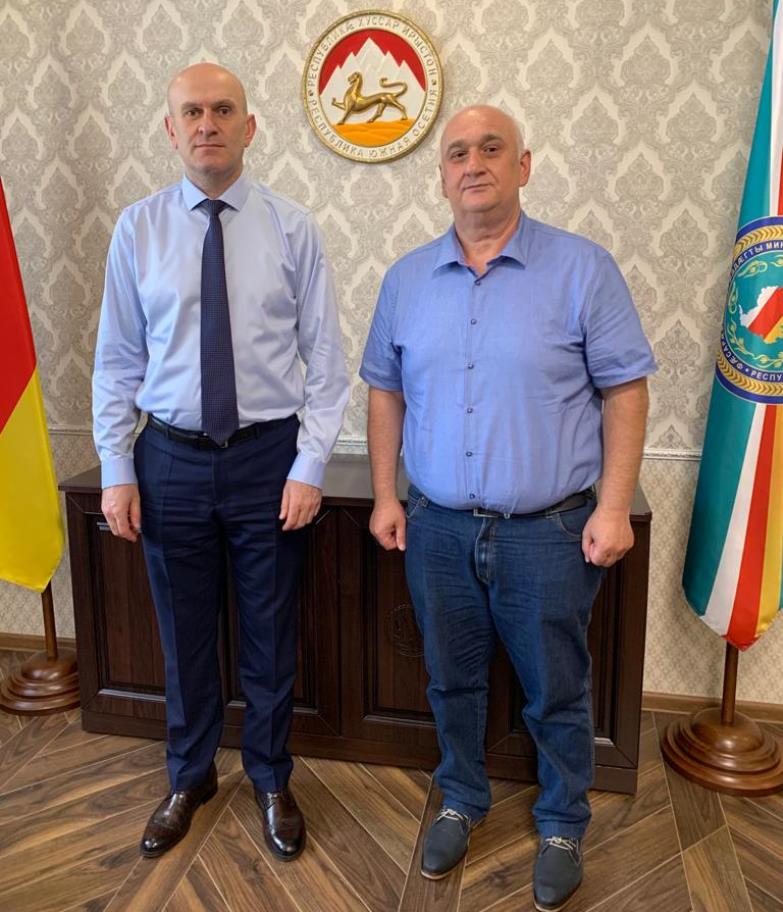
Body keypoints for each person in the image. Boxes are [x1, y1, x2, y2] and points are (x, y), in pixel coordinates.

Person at [360, 105, 655, 912]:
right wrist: (385, 495)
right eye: (457, 153)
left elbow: (624, 391)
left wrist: (614, 507)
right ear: (441, 176)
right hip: (436, 528)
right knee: (450, 681)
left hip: (550, 533)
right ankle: (460, 797)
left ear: (522, 166)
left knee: (555, 688)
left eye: (491, 148)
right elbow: (384, 392)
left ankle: (560, 821)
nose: (473, 163)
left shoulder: (582, 269)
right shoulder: (406, 280)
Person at [93, 62, 349, 862]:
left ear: (249, 127)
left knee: (270, 631)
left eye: (223, 109)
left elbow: (326, 364)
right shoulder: (138, 230)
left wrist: (309, 466)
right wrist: (116, 467)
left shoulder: (292, 228)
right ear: (171, 131)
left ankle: (270, 777)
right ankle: (190, 774)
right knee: (184, 633)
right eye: (192, 112)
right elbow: (117, 362)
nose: (207, 123)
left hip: (267, 460)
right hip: (167, 458)